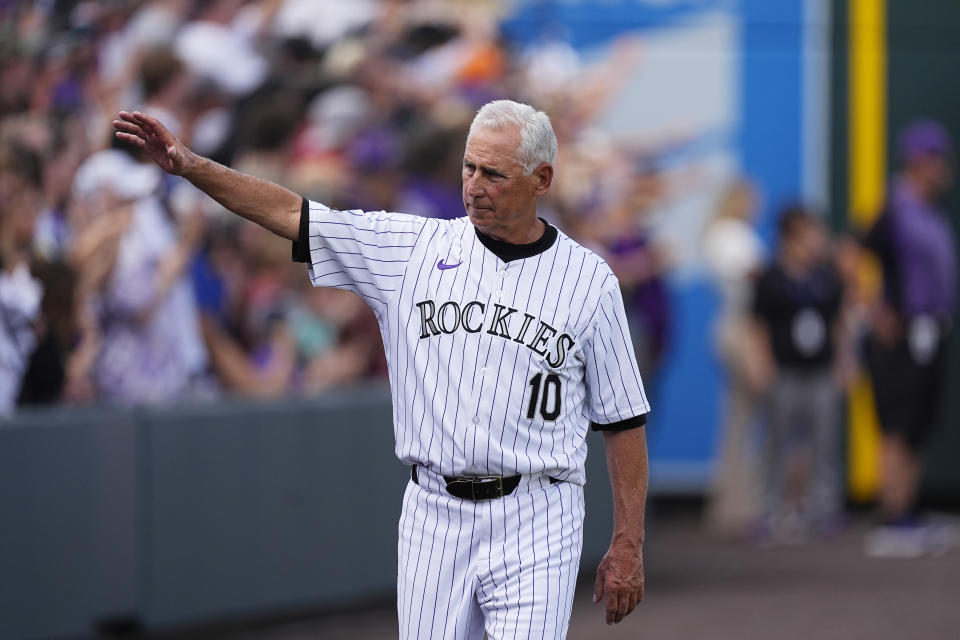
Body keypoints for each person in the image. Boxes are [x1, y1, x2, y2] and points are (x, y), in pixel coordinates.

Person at [114, 99, 651, 637]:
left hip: (539, 510)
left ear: (542, 179)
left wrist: (628, 541)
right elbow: (290, 213)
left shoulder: (589, 281)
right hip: (434, 510)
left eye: (493, 173)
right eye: (469, 167)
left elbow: (623, 419)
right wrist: (190, 165)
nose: (474, 185)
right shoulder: (411, 249)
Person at [861, 120, 957, 558]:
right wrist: (877, 310)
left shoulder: (929, 210)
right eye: (938, 158)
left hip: (930, 332)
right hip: (902, 334)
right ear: (920, 161)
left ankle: (908, 510)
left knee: (917, 425)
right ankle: (891, 515)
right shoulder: (894, 204)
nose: (945, 167)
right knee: (897, 425)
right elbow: (852, 251)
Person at [750, 207, 845, 542]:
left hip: (820, 371)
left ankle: (823, 510)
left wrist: (842, 363)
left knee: (824, 442)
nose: (817, 241)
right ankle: (770, 511)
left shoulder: (827, 277)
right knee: (776, 442)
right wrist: (763, 364)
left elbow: (838, 323)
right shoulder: (771, 278)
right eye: (810, 234)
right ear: (791, 238)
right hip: (785, 371)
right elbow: (759, 324)